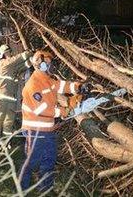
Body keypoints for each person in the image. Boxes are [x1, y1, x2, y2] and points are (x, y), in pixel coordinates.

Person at [19, 50, 89, 191]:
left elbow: (62, 85)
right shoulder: (33, 85)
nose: (52, 66)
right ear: (41, 65)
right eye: (49, 63)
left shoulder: (48, 80)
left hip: (48, 130)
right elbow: (42, 110)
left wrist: (78, 87)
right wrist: (64, 110)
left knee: (49, 160)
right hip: (34, 131)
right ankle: (21, 187)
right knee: (32, 161)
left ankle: (45, 188)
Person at [0, 45, 32, 143]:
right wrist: (27, 53)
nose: (10, 54)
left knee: (9, 120)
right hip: (1, 97)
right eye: (7, 52)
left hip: (11, 98)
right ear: (3, 55)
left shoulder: (12, 68)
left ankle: (7, 139)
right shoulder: (4, 63)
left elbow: (23, 66)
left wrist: (33, 60)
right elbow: (16, 60)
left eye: (10, 52)